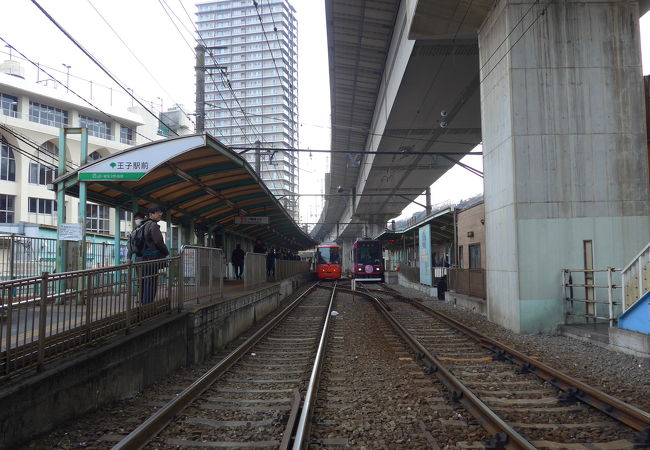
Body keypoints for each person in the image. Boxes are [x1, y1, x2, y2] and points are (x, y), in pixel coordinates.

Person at [141, 206, 169, 305]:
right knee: (151, 283)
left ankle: (144, 304)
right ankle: (147, 306)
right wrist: (166, 252)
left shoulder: (143, 225)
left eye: (160, 212)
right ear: (151, 215)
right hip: (152, 259)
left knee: (145, 282)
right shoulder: (153, 226)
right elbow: (158, 242)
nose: (160, 214)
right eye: (157, 212)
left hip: (143, 259)